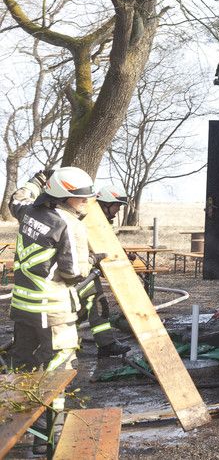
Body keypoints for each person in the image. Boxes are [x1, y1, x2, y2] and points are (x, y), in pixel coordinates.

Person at [8, 166, 95, 450]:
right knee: (59, 368)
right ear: (63, 197)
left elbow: (16, 199)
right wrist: (93, 261)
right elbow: (74, 273)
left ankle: (18, 428)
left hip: (23, 308)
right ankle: (48, 439)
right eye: (81, 198)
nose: (86, 203)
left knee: (25, 367)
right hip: (53, 311)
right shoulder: (70, 225)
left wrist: (36, 180)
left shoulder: (29, 212)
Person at [73, 185, 132, 357]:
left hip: (89, 273)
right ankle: (69, 344)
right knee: (80, 310)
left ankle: (105, 344)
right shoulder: (83, 222)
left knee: (95, 307)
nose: (118, 210)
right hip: (78, 274)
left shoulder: (100, 224)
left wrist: (122, 256)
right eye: (117, 206)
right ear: (105, 204)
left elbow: (104, 248)